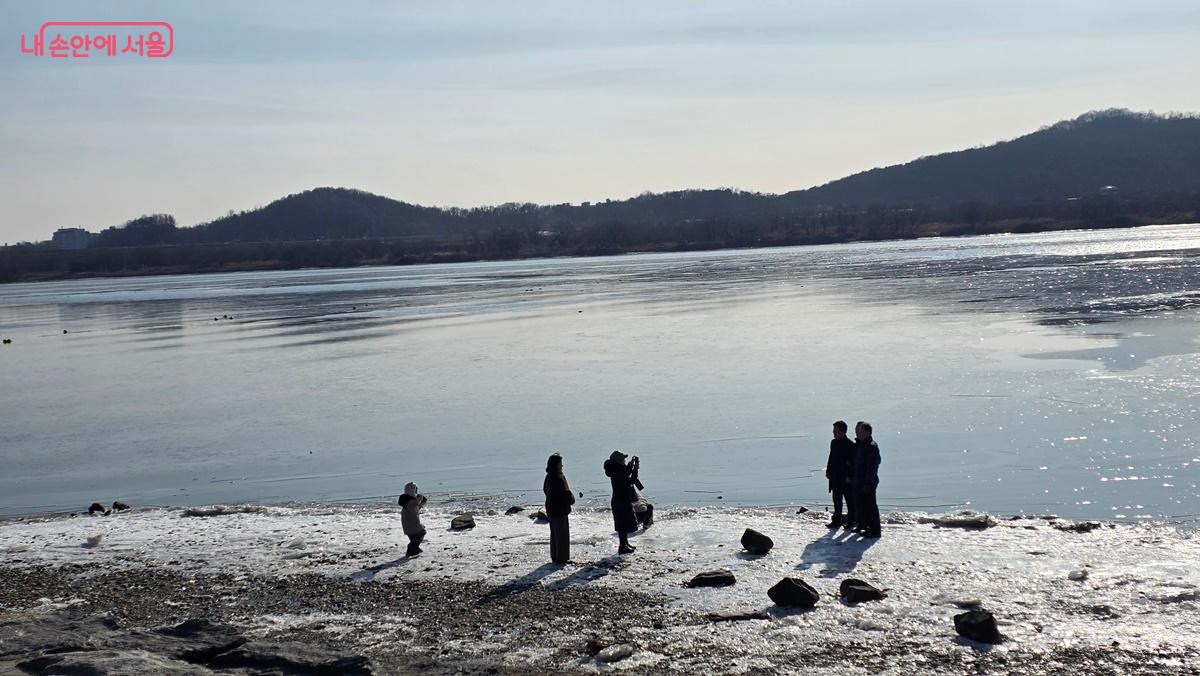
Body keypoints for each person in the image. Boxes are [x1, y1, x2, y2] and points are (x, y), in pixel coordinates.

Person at [603, 450, 639, 554]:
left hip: (619, 500)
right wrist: (635, 470)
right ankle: (622, 546)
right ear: (618, 461)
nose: (624, 461)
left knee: (623, 524)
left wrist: (631, 465)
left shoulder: (616, 470)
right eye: (623, 459)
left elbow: (625, 472)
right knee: (623, 525)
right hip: (621, 501)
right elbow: (630, 481)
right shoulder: (618, 472)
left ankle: (625, 544)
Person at [543, 453, 576, 564]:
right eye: (560, 464)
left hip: (551, 509)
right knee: (562, 535)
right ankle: (562, 558)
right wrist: (572, 499)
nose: (562, 466)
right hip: (560, 510)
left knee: (555, 535)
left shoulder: (549, 476)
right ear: (556, 465)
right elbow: (565, 494)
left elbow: (546, 491)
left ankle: (555, 556)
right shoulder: (558, 477)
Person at [825, 420, 857, 529]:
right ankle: (837, 520)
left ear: (843, 432)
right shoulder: (833, 443)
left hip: (846, 479)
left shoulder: (850, 445)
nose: (834, 433)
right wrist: (828, 471)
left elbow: (853, 464)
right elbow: (831, 458)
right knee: (836, 501)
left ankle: (851, 521)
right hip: (835, 477)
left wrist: (850, 477)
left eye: (836, 431)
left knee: (850, 501)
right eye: (833, 431)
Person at [853, 422, 882, 538]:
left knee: (871, 506)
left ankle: (875, 530)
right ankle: (864, 525)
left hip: (868, 482)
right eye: (859, 431)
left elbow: (873, 466)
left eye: (862, 431)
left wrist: (868, 482)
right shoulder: (862, 444)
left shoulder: (871, 446)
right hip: (859, 480)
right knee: (861, 505)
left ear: (868, 432)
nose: (859, 433)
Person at [398, 481, 427, 556]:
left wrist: (421, 503)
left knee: (414, 538)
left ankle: (412, 551)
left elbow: (416, 508)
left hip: (409, 524)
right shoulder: (410, 501)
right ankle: (412, 547)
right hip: (412, 525)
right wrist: (420, 498)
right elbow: (414, 505)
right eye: (416, 490)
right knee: (422, 532)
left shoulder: (407, 501)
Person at [630, 455, 654, 529]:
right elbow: (633, 479)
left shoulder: (622, 487)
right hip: (639, 516)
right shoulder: (632, 486)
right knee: (650, 506)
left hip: (629, 516)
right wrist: (635, 468)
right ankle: (647, 523)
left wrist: (632, 465)